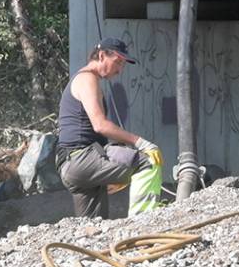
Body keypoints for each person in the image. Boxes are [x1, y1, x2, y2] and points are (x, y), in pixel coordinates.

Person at [54, 36, 163, 220]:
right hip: (82, 158)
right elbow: (100, 125)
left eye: (123, 65)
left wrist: (112, 173)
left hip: (71, 165)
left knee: (93, 226)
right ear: (102, 55)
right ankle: (144, 223)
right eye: (118, 62)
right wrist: (141, 142)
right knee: (148, 161)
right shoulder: (87, 79)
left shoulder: (82, 79)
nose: (120, 70)